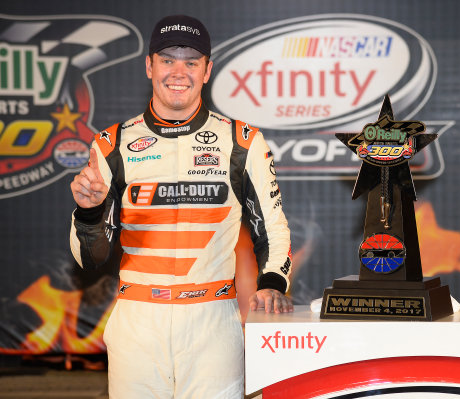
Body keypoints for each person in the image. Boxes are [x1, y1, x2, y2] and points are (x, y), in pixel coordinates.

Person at [69, 14, 293, 399]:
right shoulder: (110, 144)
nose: (179, 72)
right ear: (149, 65)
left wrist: (272, 283)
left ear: (207, 70)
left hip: (213, 323)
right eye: (168, 59)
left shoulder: (243, 142)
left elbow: (271, 227)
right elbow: (90, 259)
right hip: (137, 321)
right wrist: (89, 213)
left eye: (191, 61)